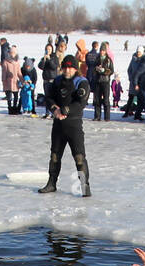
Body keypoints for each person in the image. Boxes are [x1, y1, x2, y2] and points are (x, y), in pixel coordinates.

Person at [38, 55, 91, 196]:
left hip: (74, 125)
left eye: (70, 67)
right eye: (65, 67)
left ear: (75, 68)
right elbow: (48, 98)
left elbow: (81, 103)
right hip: (58, 126)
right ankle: (51, 183)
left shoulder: (81, 82)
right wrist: (54, 108)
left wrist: (66, 109)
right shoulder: (57, 81)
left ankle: (85, 187)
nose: (67, 70)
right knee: (55, 156)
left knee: (79, 158)